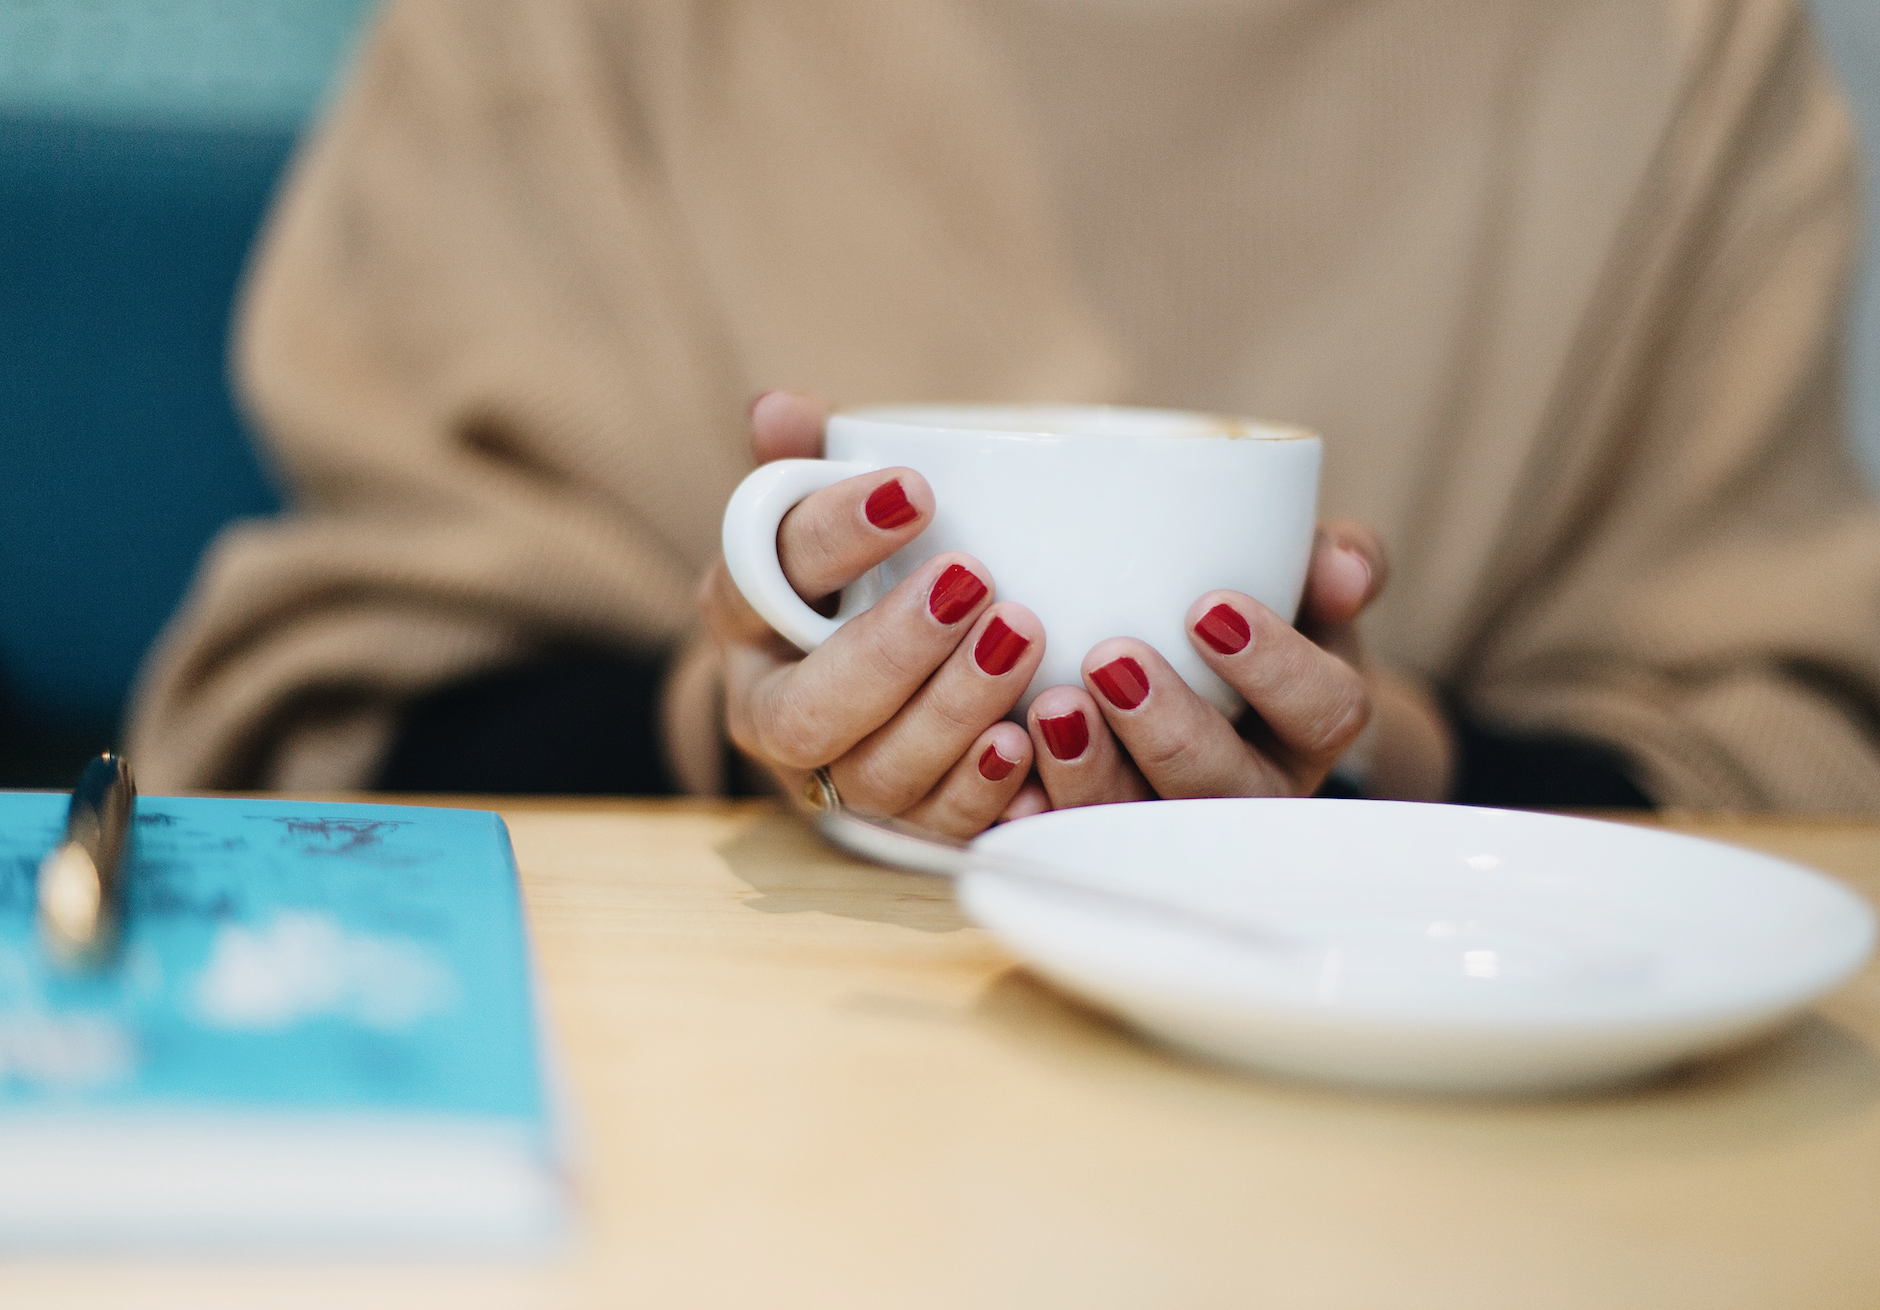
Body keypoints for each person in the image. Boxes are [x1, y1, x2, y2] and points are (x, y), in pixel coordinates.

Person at [128, 0, 1880, 825]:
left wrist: (1380, 765)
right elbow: (325, 730)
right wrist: (731, 721)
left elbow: (1798, 769)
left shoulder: (1673, 48)